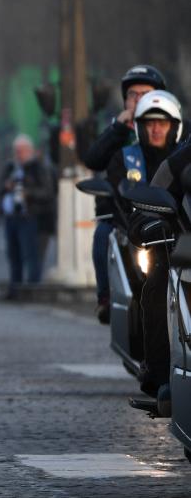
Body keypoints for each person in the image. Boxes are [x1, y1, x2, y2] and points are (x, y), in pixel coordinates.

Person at [105, 90, 181, 396]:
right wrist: (148, 225)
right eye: (150, 122)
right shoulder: (177, 163)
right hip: (177, 246)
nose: (156, 129)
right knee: (158, 280)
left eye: (163, 123)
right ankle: (160, 372)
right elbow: (141, 208)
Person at [79, 65, 166, 323]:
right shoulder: (120, 131)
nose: (138, 100)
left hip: (165, 214)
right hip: (123, 214)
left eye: (145, 93)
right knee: (103, 234)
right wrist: (118, 128)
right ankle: (106, 299)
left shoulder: (172, 128)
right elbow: (93, 159)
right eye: (133, 95)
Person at [0, 134, 55, 291]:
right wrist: (6, 187)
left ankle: (32, 288)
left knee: (31, 255)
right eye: (16, 151)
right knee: (14, 255)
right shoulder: (10, 168)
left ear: (30, 151)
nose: (19, 154)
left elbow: (47, 192)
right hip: (11, 217)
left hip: (30, 217)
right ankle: (15, 287)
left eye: (22, 151)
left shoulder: (38, 168)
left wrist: (28, 193)